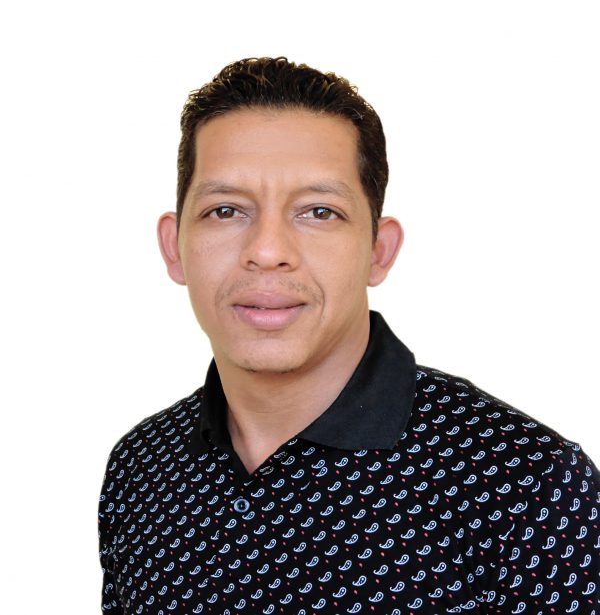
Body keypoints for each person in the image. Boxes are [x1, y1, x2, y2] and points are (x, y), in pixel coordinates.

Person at [98, 57, 599, 615]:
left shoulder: (528, 483)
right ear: (174, 248)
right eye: (226, 210)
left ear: (378, 251)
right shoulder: (141, 467)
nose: (268, 250)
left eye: (319, 211)